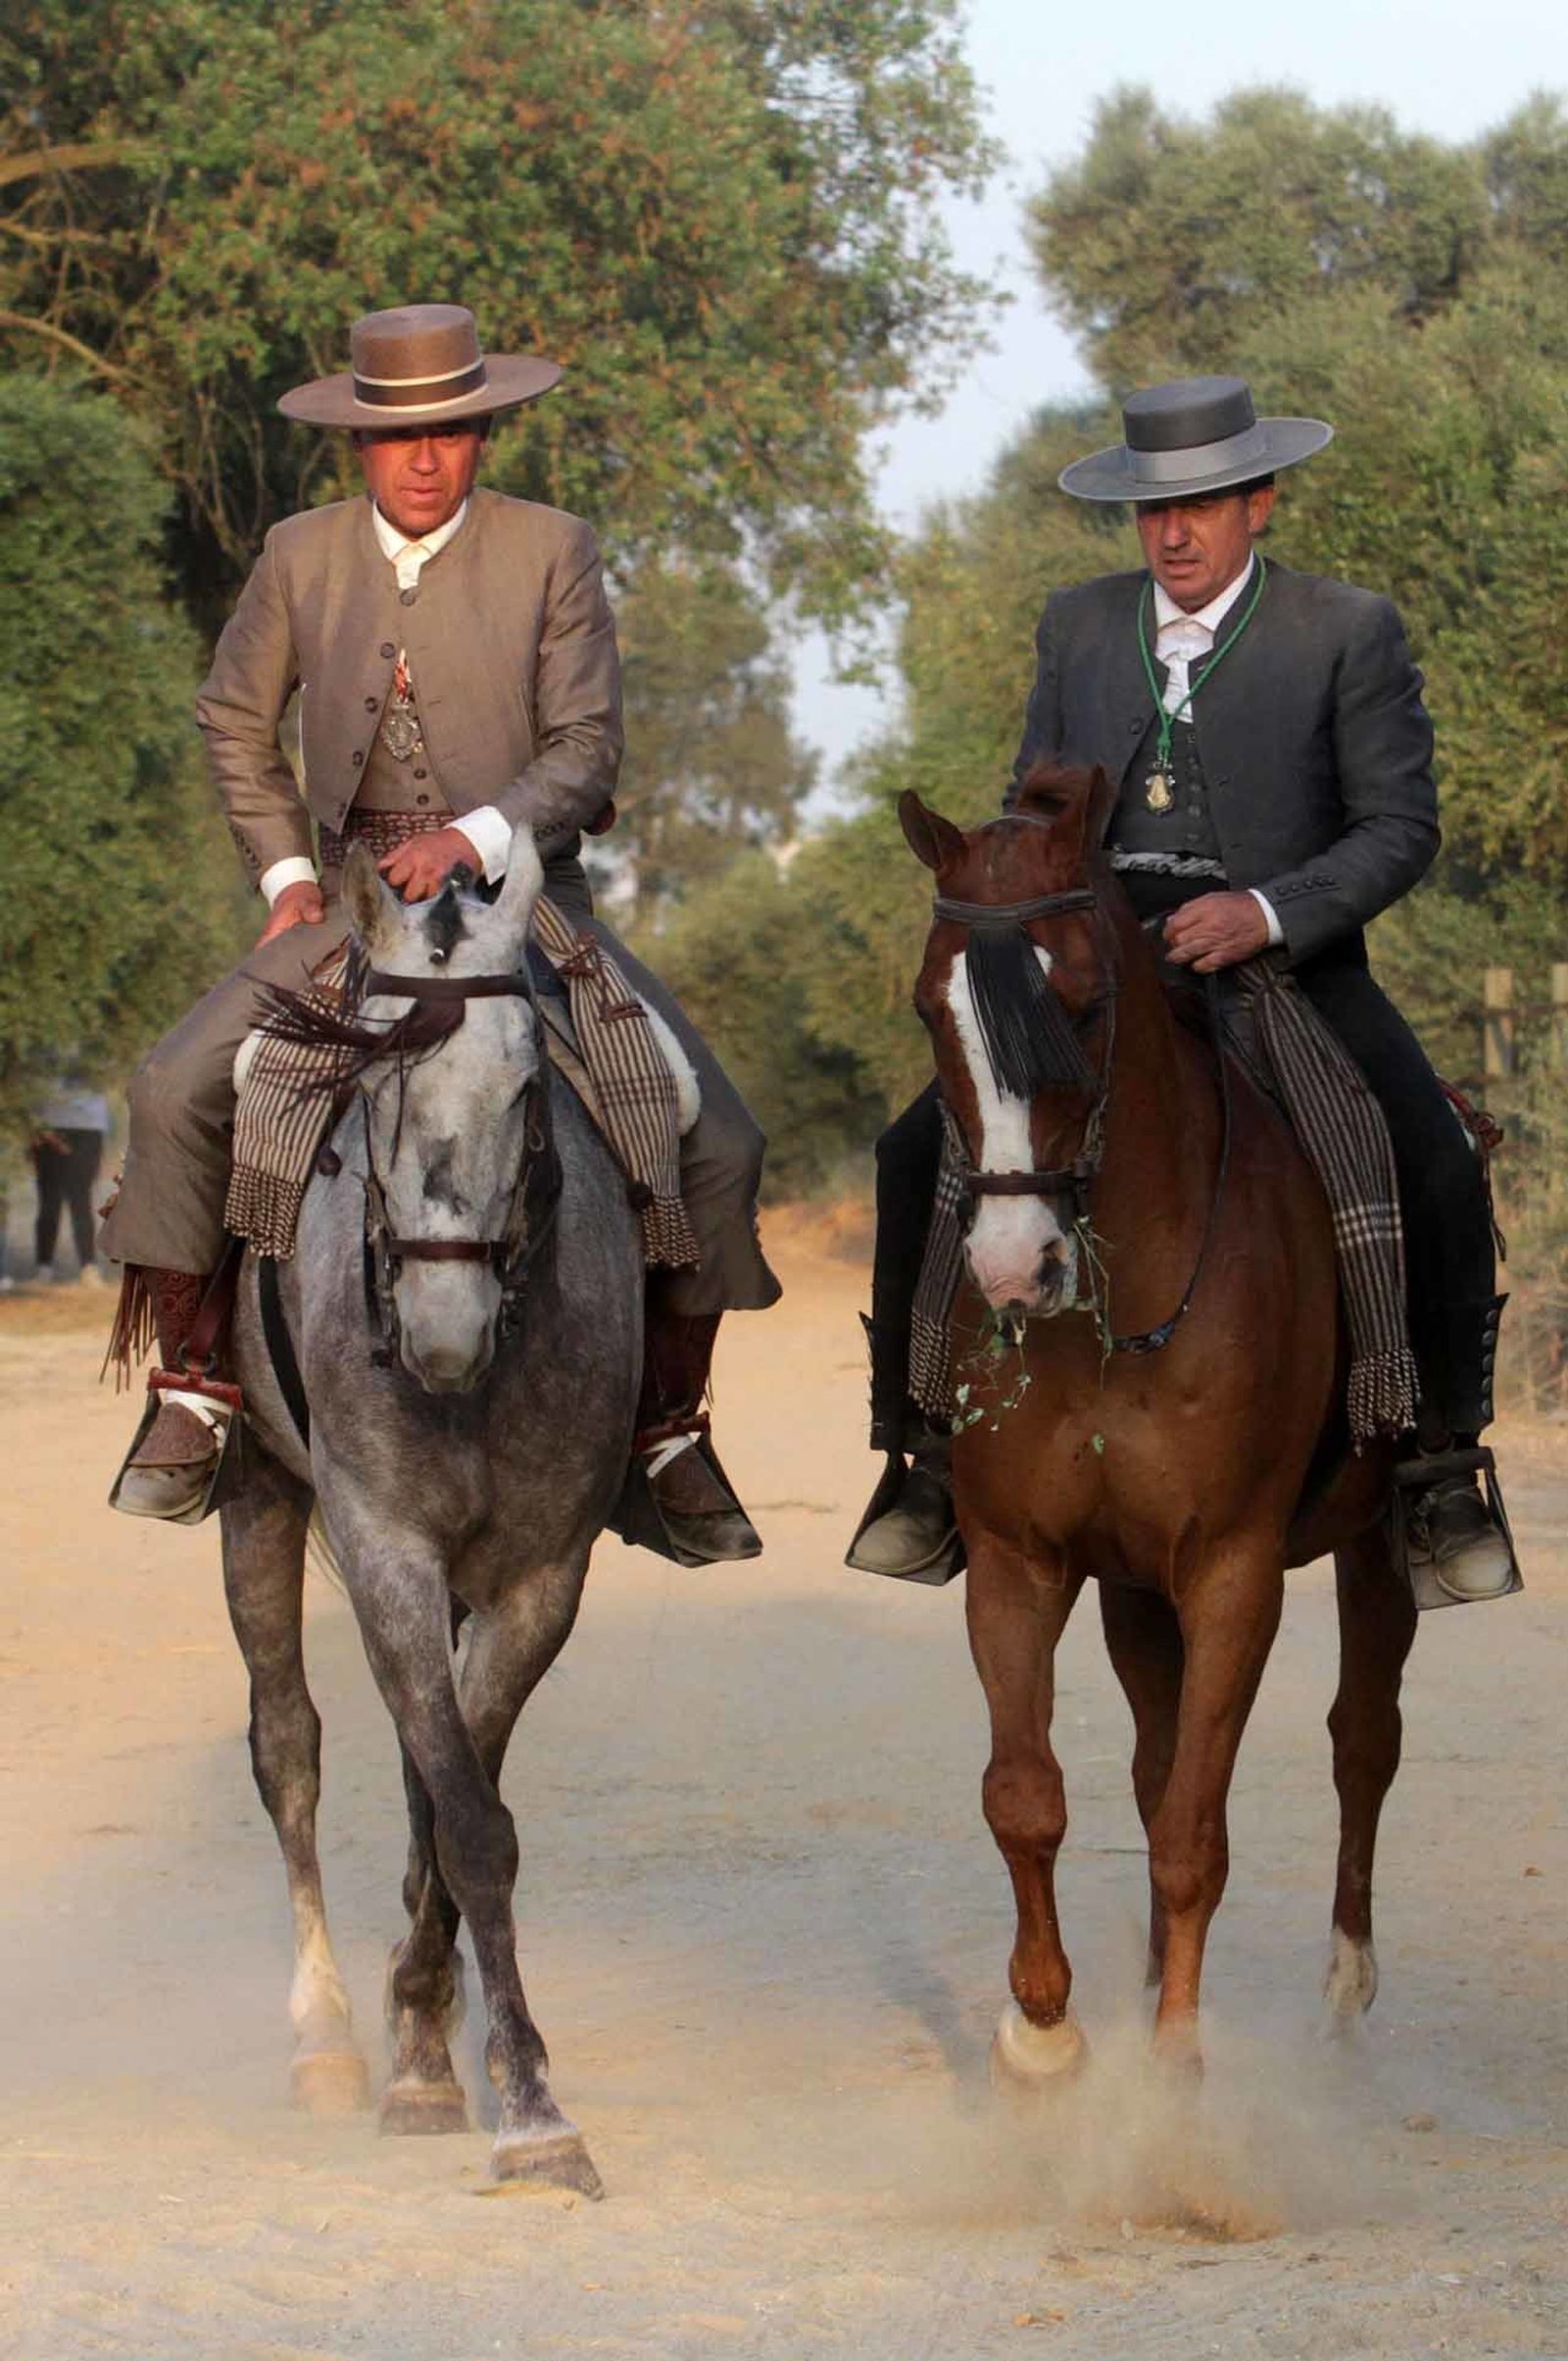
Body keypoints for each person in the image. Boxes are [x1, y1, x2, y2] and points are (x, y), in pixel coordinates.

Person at [103, 303, 779, 1554]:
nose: (424, 457)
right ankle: (197, 1388)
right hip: (351, 907)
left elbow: (585, 748)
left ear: (482, 434)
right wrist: (289, 877)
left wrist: (471, 839)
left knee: (716, 1135)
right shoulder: (298, 555)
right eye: (397, 435)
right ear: (358, 445)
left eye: (452, 430)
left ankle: (664, 1428)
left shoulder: (553, 549)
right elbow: (231, 720)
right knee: (171, 1087)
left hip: (524, 906)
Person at [849, 374, 1511, 1603]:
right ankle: (922, 1451)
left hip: (1284, 968)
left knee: (1423, 1151)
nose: (1175, 531)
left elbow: (1397, 828)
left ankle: (1435, 1468)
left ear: (1257, 500)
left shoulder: (1345, 629)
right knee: (912, 1153)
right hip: (1097, 975)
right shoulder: (1079, 623)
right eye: (1154, 509)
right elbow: (1037, 798)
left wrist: (1263, 910)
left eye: (1203, 502)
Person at [30, 1073, 112, 1284]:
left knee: (80, 1197)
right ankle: (44, 1267)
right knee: (48, 1199)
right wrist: (33, 1124)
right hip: (47, 1122)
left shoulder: (96, 1042)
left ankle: (89, 1267)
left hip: (87, 1125)